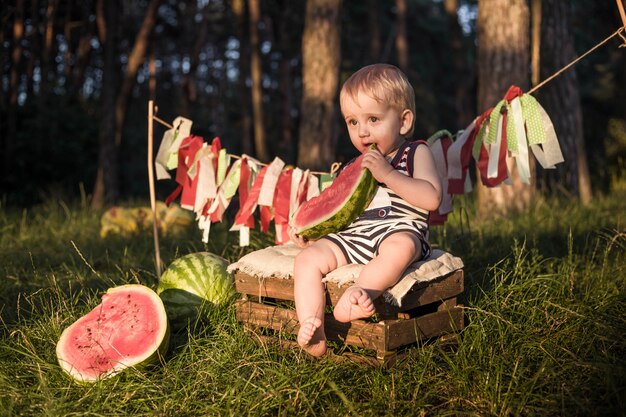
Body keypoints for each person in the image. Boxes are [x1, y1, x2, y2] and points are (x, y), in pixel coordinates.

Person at [289, 64, 442, 357]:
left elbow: (432, 198)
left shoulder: (416, 152)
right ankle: (313, 326)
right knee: (307, 260)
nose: (362, 131)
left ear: (404, 121)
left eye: (373, 119)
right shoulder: (352, 167)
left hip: (399, 230)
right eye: (352, 122)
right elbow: (337, 211)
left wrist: (389, 176)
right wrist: (312, 234)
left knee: (399, 248)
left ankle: (360, 294)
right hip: (354, 236)